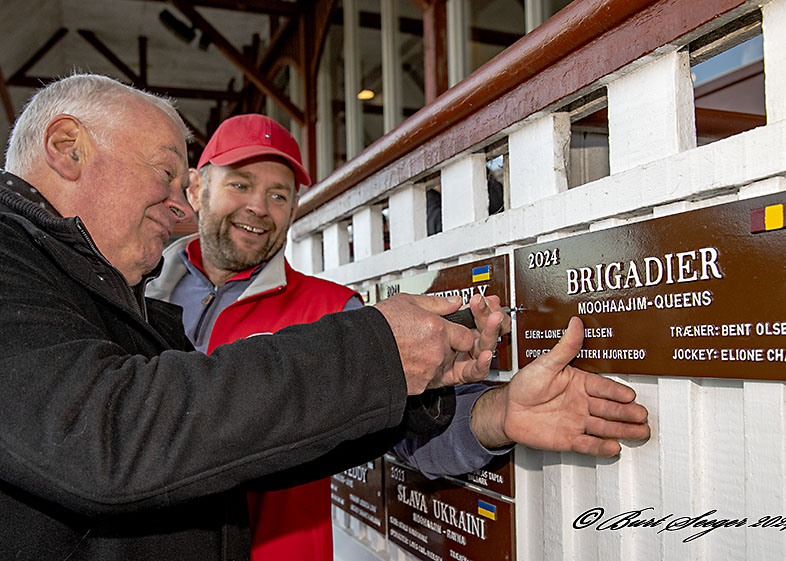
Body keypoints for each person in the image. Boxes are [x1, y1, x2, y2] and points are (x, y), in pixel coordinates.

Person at [0, 74, 650, 560]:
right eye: (169, 176)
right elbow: (121, 435)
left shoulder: (128, 299)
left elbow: (293, 433)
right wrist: (376, 352)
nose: (176, 208)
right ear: (67, 146)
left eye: (280, 194)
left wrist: (490, 414)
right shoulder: (51, 271)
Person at [147, 114, 517, 560]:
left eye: (278, 194)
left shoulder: (336, 310)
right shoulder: (136, 291)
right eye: (240, 185)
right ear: (196, 189)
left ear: (293, 210)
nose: (259, 208)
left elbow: (408, 435)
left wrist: (498, 415)